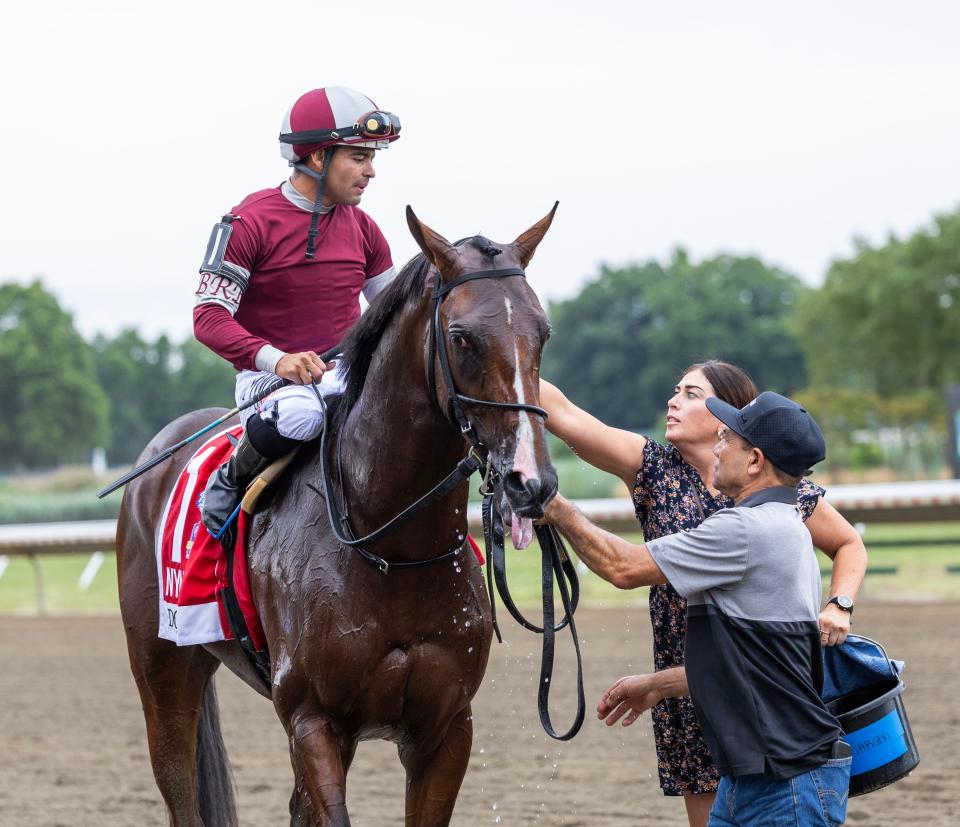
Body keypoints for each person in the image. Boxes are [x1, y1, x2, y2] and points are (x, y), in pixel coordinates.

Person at [540, 362, 866, 826]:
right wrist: (655, 684)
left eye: (726, 437)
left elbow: (623, 567)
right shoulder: (778, 515)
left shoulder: (746, 526)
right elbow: (743, 663)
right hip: (734, 730)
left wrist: (551, 503)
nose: (674, 401)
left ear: (752, 457)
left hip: (778, 766)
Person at [193, 86, 401, 536]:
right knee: (302, 415)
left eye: (372, 159)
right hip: (269, 380)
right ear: (319, 157)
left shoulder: (365, 229)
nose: (371, 172)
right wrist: (280, 360)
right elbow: (208, 320)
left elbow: (394, 316)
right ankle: (232, 477)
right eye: (359, 158)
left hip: (343, 373)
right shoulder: (247, 222)